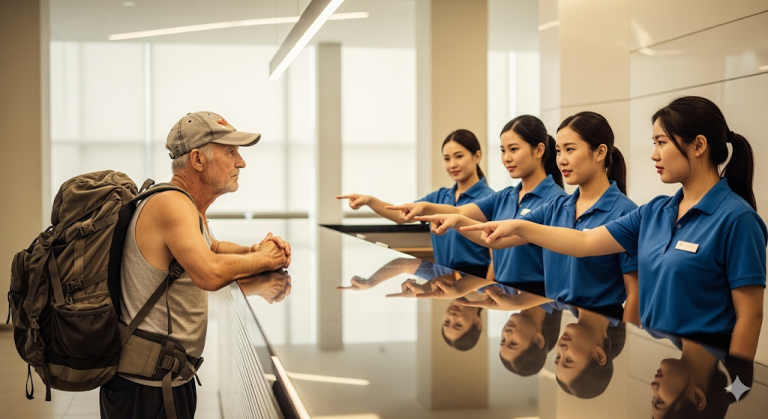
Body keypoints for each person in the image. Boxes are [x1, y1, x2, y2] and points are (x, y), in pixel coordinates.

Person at [461, 96, 767, 360]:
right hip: (659, 356)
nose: (654, 154)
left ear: (698, 145)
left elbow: (750, 316)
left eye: (661, 143)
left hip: (704, 365)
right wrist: (518, 227)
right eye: (654, 143)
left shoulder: (737, 220)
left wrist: (740, 388)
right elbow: (584, 243)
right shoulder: (656, 211)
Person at [100, 111, 292, 419]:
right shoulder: (171, 204)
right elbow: (209, 272)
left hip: (167, 376)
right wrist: (265, 259)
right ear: (198, 160)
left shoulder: (186, 205)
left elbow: (211, 247)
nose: (241, 162)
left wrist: (253, 250)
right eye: (231, 153)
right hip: (145, 387)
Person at [418, 112, 639, 322]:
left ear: (600, 152)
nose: (561, 159)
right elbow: (503, 238)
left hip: (601, 326)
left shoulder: (625, 212)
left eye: (570, 150)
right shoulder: (556, 207)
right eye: (559, 151)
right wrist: (458, 221)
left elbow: (634, 293)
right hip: (560, 318)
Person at [388, 116, 565, 294]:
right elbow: (461, 211)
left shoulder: (557, 200)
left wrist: (455, 220)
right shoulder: (504, 196)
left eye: (513, 149)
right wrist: (426, 207)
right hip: (503, 295)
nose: (507, 158)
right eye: (503, 151)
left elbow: (557, 267)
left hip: (538, 299)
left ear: (539, 150)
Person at [337, 129, 494, 278]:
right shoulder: (439, 196)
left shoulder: (490, 199)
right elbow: (401, 216)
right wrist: (370, 201)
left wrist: (486, 291)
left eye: (459, 156)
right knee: (402, 264)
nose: (452, 164)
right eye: (447, 159)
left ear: (477, 156)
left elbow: (496, 257)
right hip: (441, 278)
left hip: (473, 281)